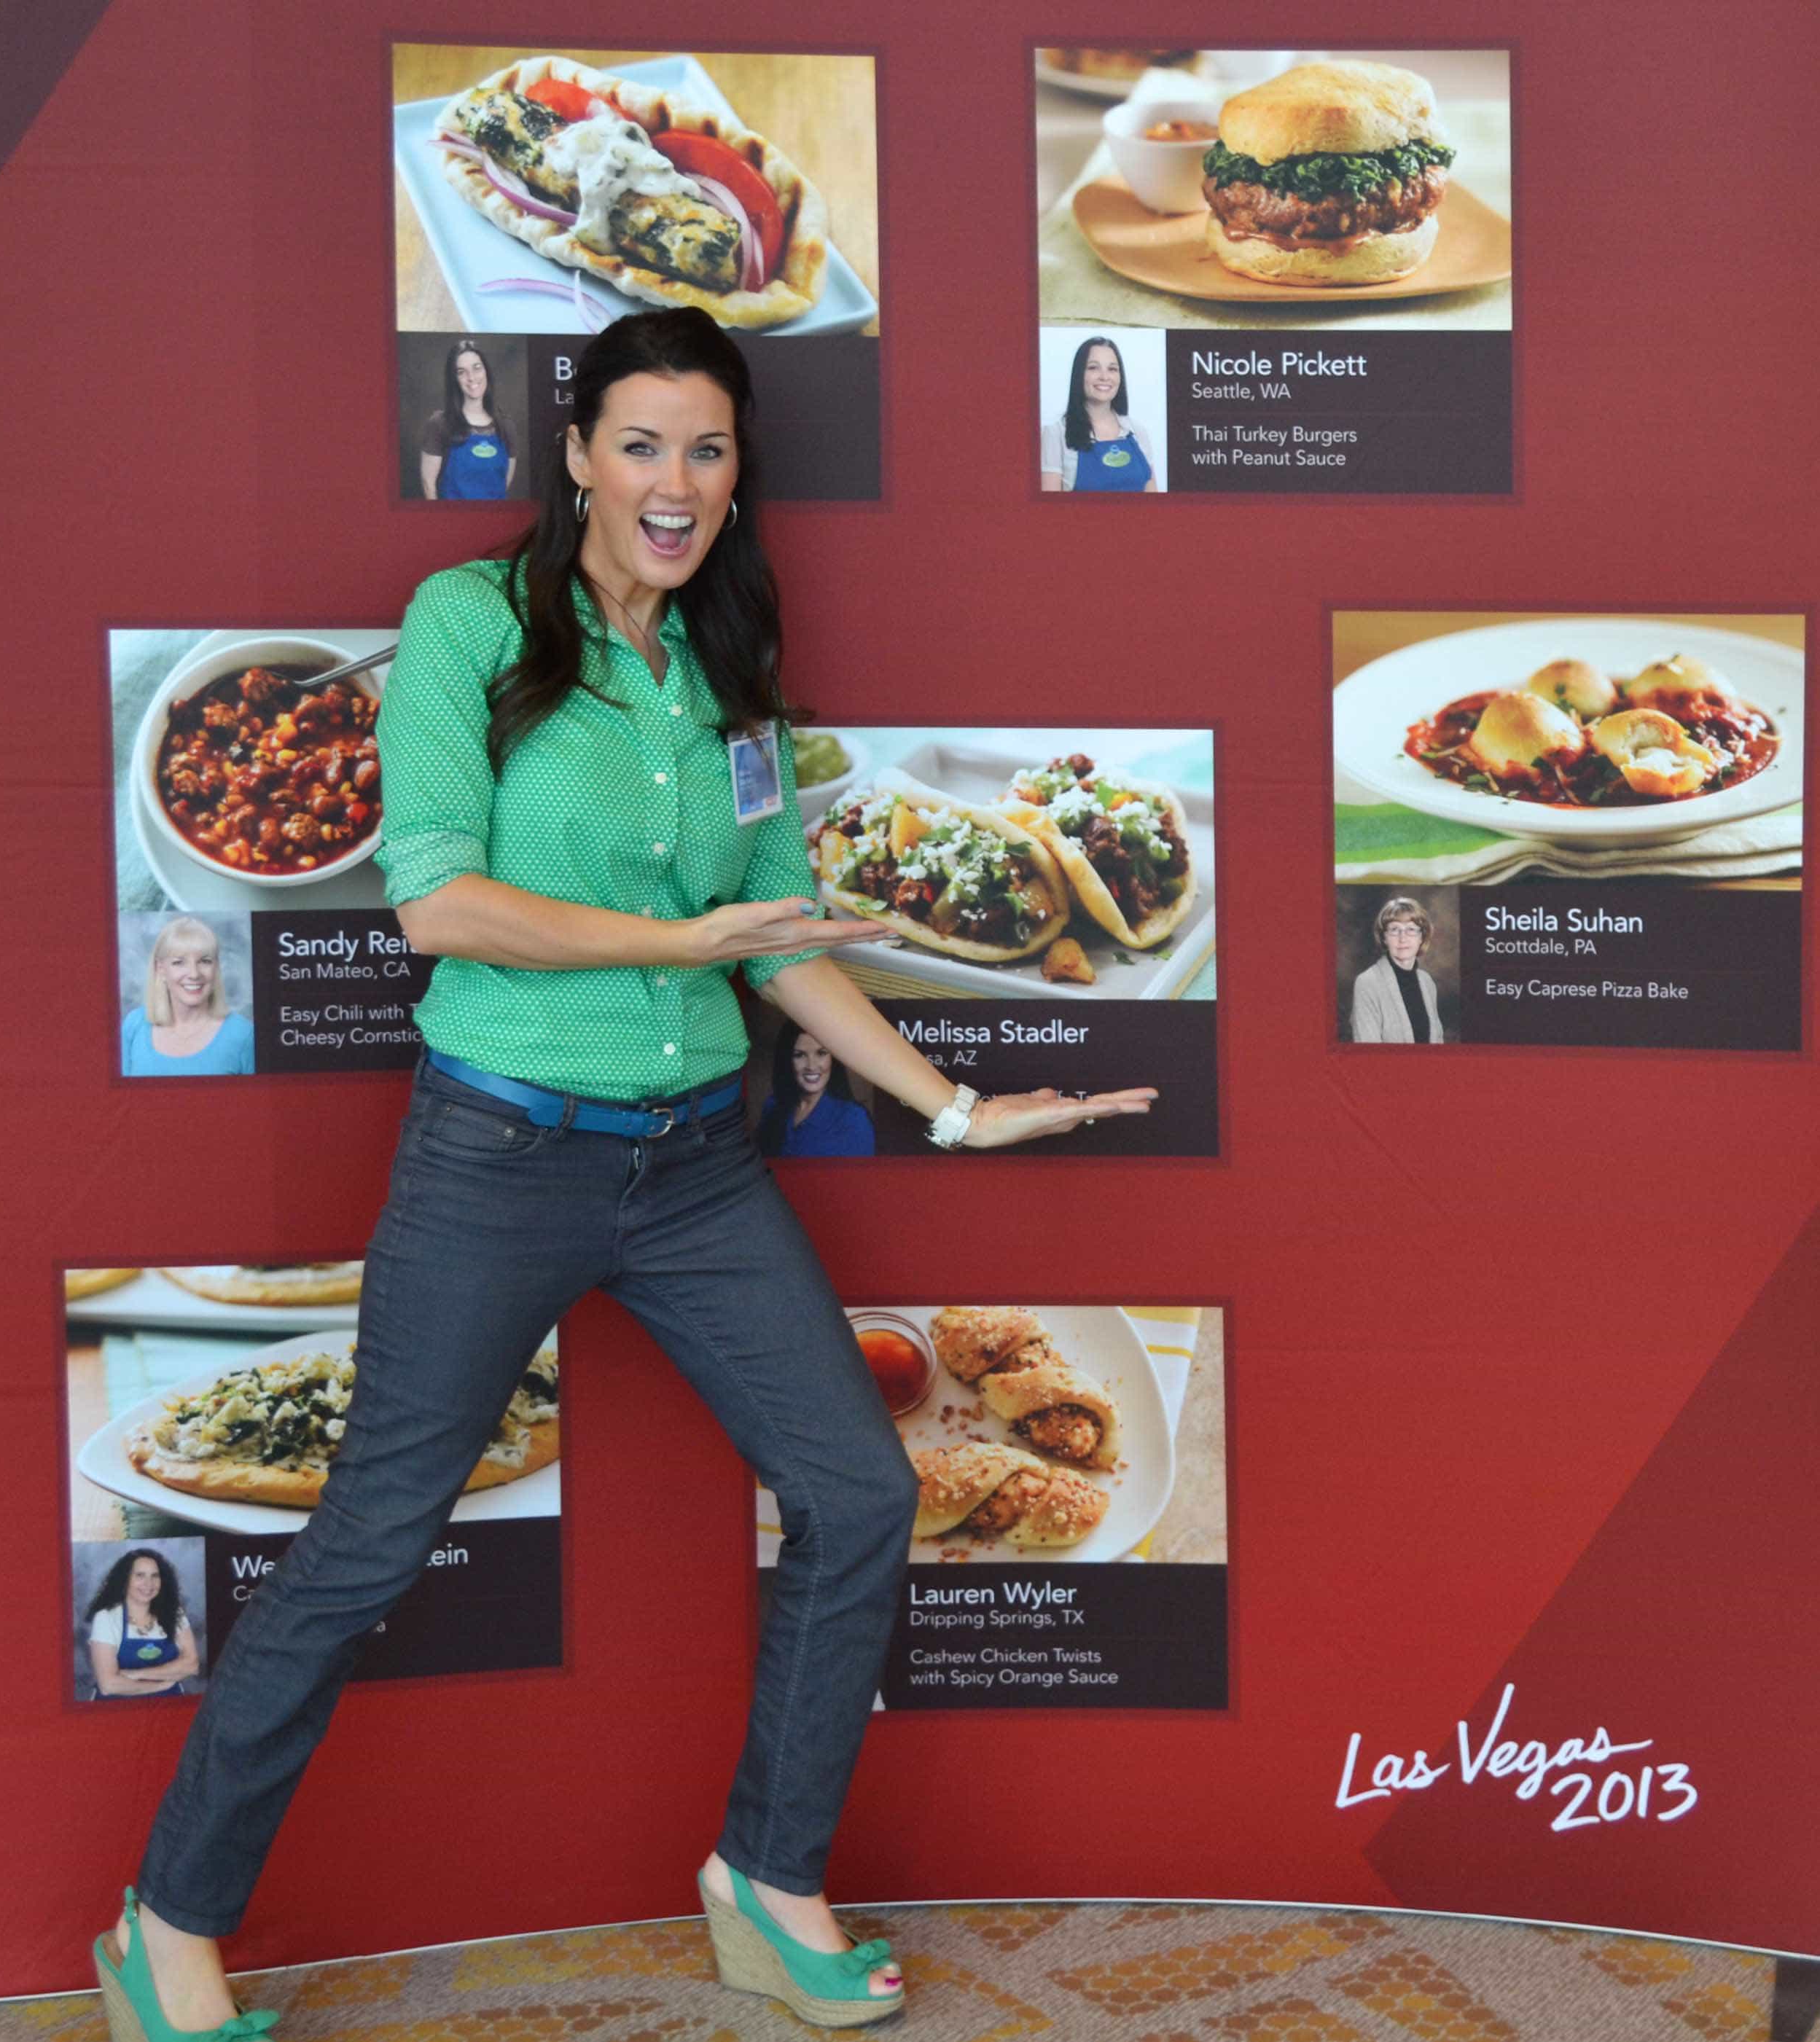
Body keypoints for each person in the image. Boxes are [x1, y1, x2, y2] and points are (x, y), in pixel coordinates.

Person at [95, 307, 1157, 2038]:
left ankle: (765, 1876)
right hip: (495, 1152)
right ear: (578, 455)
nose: (675, 483)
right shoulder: (469, 620)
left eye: (709, 450)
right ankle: (169, 1923)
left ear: (738, 480)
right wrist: (684, 932)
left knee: (859, 1491)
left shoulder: (724, 657)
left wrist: (949, 1106)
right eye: (643, 444)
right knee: (366, 1546)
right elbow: (433, 900)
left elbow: (780, 936)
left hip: (692, 1170)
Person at [120, 916, 255, 1076]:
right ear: (161, 969)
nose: (194, 974)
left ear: (216, 968)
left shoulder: (244, 1034)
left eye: (205, 961)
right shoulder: (134, 1025)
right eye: (179, 962)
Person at [1044, 336, 1159, 492]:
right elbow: (1048, 511)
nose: (1105, 377)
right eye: (1093, 368)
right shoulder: (1055, 434)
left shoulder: (1137, 432)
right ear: (1079, 375)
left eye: (1112, 369)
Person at [86, 1550, 200, 1699]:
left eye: (155, 1576)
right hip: (115, 1710)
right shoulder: (107, 1618)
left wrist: (137, 1674)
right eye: (140, 1575)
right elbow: (108, 1685)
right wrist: (159, 1686)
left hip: (168, 1706)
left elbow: (192, 1665)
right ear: (125, 1579)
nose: (149, 1584)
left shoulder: (175, 1613)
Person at [755, 1021, 875, 1157]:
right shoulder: (772, 1106)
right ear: (787, 1060)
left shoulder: (854, 1118)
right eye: (799, 1055)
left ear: (833, 1059)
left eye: (821, 1053)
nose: (811, 1066)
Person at [419, 340, 517, 501]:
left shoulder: (506, 426)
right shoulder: (439, 424)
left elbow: (505, 483)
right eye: (461, 372)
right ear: (454, 379)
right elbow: (428, 484)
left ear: (486, 371)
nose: (471, 378)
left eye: (477, 368)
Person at [1351, 896, 1445, 1043]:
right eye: (1395, 929)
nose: (1403, 938)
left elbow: (1437, 1041)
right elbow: (1367, 1052)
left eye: (1411, 929)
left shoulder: (1427, 982)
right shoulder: (1367, 982)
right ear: (1384, 937)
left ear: (1422, 937)